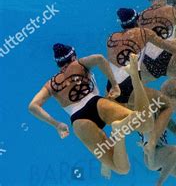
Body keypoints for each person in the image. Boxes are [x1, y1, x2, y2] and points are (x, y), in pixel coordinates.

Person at [28, 44, 154, 174]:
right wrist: (115, 85)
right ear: (73, 56)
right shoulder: (78, 64)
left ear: (58, 65)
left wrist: (57, 124)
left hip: (79, 121)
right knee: (146, 125)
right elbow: (99, 58)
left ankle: (118, 131)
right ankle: (134, 77)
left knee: (122, 169)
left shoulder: (50, 84)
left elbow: (33, 106)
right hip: (96, 103)